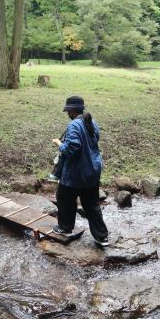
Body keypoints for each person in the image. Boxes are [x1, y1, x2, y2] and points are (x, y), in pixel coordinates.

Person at [51, 96, 109, 247]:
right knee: (92, 205)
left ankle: (65, 228)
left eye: (67, 111)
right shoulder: (92, 122)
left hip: (75, 174)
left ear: (71, 111)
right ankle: (101, 237)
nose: (67, 113)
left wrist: (59, 144)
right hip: (92, 173)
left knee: (65, 200)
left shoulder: (74, 125)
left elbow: (72, 150)